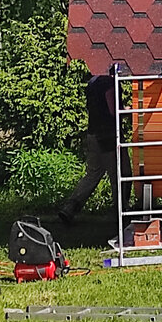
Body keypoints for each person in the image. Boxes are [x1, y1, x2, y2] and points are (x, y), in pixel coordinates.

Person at [58, 64, 130, 225]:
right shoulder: (109, 83)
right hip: (109, 136)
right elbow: (113, 110)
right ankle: (121, 213)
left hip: (93, 134)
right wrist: (128, 110)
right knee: (121, 173)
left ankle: (69, 208)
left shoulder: (92, 82)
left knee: (93, 174)